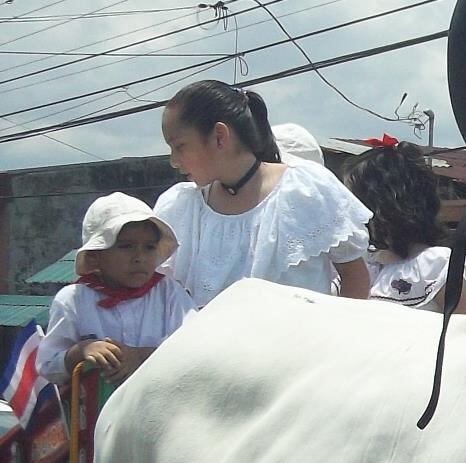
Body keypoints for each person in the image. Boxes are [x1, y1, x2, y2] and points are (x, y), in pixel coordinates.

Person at [153, 81, 372, 307]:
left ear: (219, 136)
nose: (174, 161)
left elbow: (355, 277)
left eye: (179, 146)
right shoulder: (180, 207)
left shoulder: (306, 190)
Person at [37, 193, 196, 389]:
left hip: (160, 410)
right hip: (95, 414)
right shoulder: (73, 299)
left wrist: (142, 356)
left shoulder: (169, 293)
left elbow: (195, 347)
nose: (140, 257)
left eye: (149, 247)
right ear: (96, 256)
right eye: (126, 246)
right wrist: (81, 351)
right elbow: (47, 365)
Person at [339, 140, 466, 314]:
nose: (347, 209)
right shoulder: (364, 263)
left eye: (353, 200)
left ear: (381, 203)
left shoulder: (437, 264)